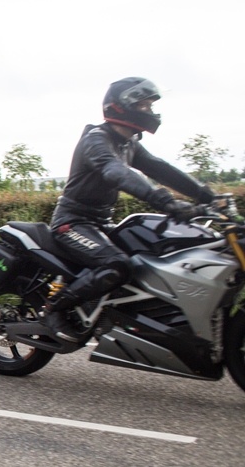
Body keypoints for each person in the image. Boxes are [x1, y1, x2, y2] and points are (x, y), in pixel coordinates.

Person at [42, 77, 214, 342]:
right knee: (116, 264)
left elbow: (161, 169)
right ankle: (54, 309)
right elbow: (115, 171)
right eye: (144, 105)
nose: (150, 111)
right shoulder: (96, 140)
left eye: (150, 106)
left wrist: (206, 195)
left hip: (101, 222)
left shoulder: (129, 142)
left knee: (148, 254)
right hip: (72, 222)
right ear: (121, 107)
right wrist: (164, 201)